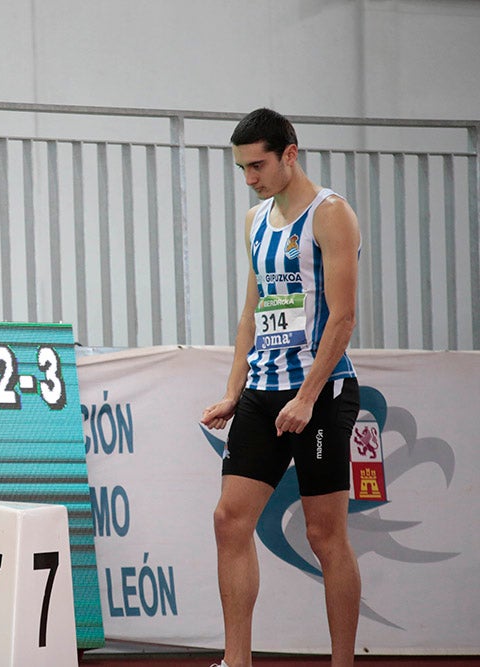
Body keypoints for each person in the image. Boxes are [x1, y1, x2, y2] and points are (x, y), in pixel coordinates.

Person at [201, 108, 362, 667]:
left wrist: (307, 397)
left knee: (324, 536)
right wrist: (232, 390)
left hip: (321, 395)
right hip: (263, 392)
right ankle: (237, 661)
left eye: (259, 165)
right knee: (229, 520)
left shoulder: (332, 214)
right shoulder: (255, 221)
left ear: (290, 153)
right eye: (243, 167)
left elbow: (342, 318)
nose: (250, 177)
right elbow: (253, 313)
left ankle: (343, 663)